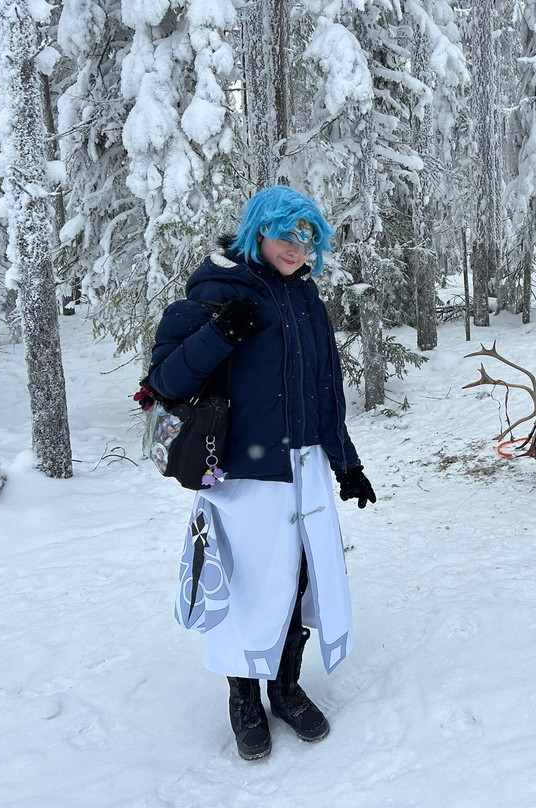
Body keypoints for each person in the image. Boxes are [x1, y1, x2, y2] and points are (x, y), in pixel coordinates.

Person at [145, 186, 376, 760]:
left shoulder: (307, 300)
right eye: (285, 234)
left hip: (306, 469)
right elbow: (163, 385)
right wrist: (218, 334)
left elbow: (325, 391)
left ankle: (284, 685)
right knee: (248, 585)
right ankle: (243, 695)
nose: (297, 248)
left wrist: (344, 461)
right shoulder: (214, 292)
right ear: (257, 231)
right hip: (242, 476)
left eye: (308, 238)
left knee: (300, 579)